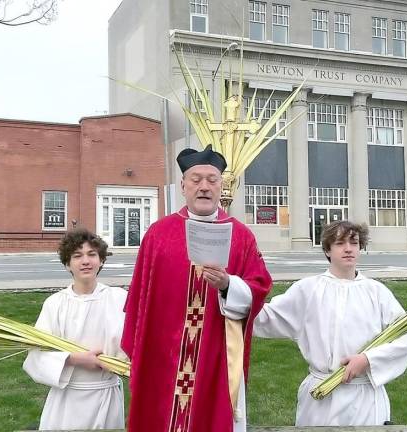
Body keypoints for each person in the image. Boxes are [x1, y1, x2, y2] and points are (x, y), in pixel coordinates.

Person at [121, 145, 272, 432]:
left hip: (216, 354)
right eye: (196, 179)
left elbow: (259, 288)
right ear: (183, 185)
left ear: (221, 186)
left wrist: (228, 285)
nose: (204, 187)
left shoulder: (240, 236)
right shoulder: (159, 234)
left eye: (212, 180)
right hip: (163, 354)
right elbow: (140, 298)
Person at [254, 220, 407, 426]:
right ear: (328, 250)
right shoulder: (308, 289)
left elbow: (405, 335)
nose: (348, 249)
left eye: (354, 243)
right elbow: (268, 317)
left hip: (364, 398)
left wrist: (367, 359)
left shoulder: (377, 292)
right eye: (340, 243)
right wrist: (230, 294)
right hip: (321, 396)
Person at [23, 229, 127, 431]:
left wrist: (121, 362)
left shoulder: (119, 298)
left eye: (92, 254)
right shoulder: (55, 304)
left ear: (102, 260)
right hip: (67, 399)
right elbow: (35, 356)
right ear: (67, 264)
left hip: (105, 396)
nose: (85, 261)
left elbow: (136, 344)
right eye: (77, 256)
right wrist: (74, 359)